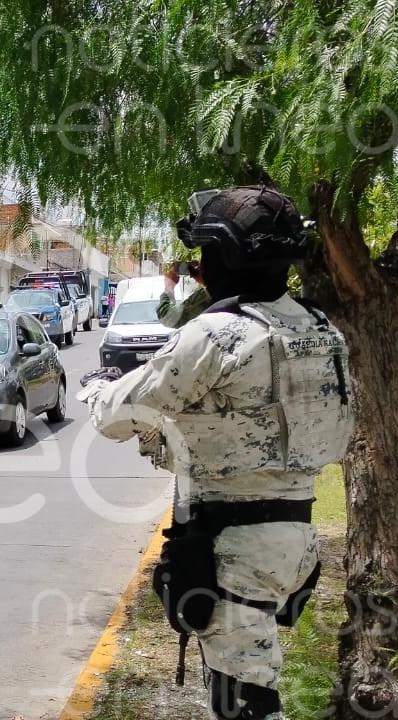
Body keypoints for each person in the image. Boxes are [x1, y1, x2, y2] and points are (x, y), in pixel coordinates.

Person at [79, 186, 351, 720]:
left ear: (225, 258)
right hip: (296, 537)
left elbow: (118, 417)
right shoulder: (320, 329)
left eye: (206, 254)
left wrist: (95, 389)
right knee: (239, 685)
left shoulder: (217, 334)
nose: (200, 267)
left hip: (234, 547)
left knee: (244, 703)